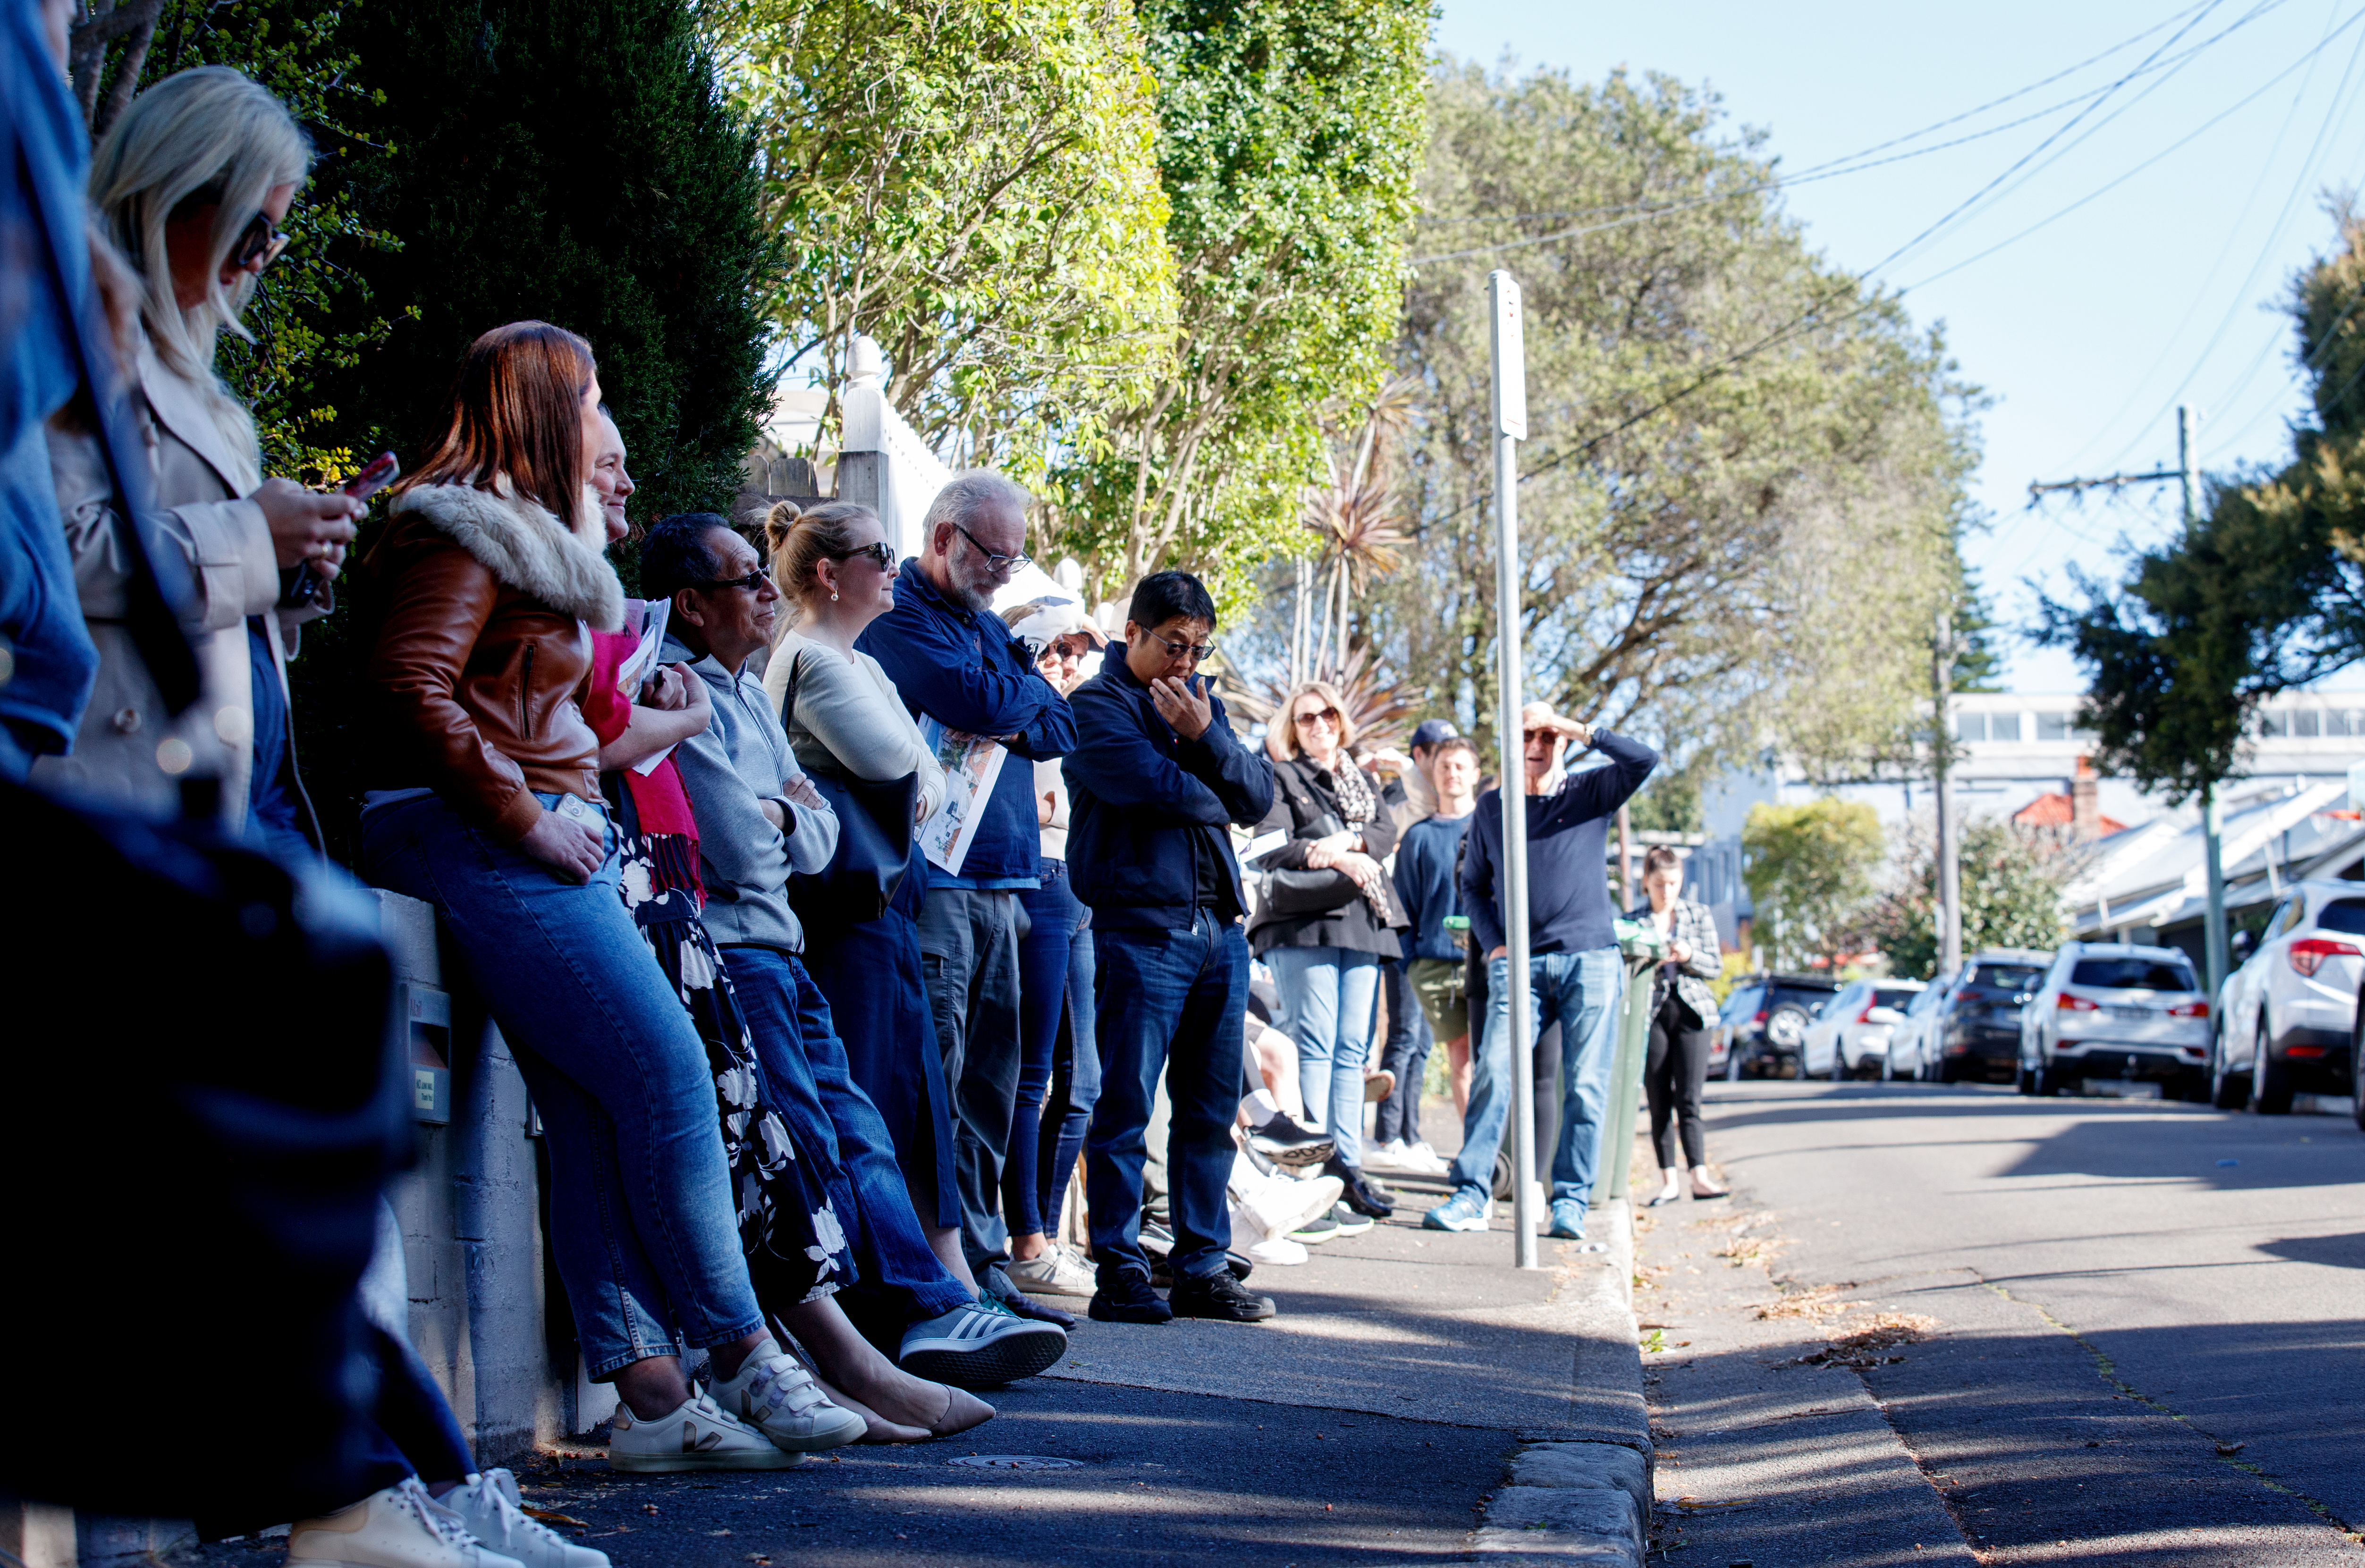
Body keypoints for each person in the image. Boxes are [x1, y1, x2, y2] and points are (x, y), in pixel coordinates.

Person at [359, 320, 804, 1473]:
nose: (609, 422)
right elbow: (412, 686)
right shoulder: (460, 529)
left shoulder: (526, 547)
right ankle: (743, 1349)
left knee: (595, 1097)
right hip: (478, 831)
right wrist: (526, 815)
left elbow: (522, 709)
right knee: (666, 1068)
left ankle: (652, 1397)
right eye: (594, 397)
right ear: (547, 409)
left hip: (529, 829)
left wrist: (583, 770)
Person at [643, 511, 1070, 1389]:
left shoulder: (755, 686)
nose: (763, 589)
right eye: (879, 554)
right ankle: (902, 1316)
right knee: (826, 1128)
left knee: (870, 1121)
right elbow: (769, 837)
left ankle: (937, 1300)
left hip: (802, 934)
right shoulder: (721, 684)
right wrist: (793, 812)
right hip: (776, 938)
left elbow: (862, 809)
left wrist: (790, 812)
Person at [35, 66, 362, 841]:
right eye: (255, 231)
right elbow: (54, 552)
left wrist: (290, 562)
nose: (258, 260)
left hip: (240, 784)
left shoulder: (188, 368)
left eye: (274, 240)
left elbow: (207, 576)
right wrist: (252, 535)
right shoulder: (63, 335)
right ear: (175, 190)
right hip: (137, 791)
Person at [856, 472, 1077, 1294]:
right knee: (937, 1083)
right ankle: (931, 1271)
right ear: (944, 536)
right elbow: (968, 696)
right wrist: (1010, 697)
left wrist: (1004, 698)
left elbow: (1059, 725)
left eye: (1015, 560)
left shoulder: (986, 625)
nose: (1002, 573)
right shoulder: (898, 615)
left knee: (992, 1085)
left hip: (1011, 882)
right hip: (939, 882)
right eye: (994, 555)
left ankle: (983, 1265)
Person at [1065, 570, 1278, 1324]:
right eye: (1173, 644)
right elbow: (1159, 789)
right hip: (1141, 928)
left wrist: (1207, 736)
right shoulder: (1095, 705)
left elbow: (1259, 797)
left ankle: (1201, 1267)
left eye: (1197, 648)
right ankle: (1119, 1269)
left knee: (1210, 1113)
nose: (1185, 661)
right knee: (1124, 1107)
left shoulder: (1202, 707)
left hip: (1219, 930)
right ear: (1132, 633)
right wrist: (1211, 769)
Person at [760, 501, 963, 1289]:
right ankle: (884, 1287)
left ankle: (945, 1277)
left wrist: (920, 787)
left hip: (886, 905)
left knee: (915, 1092)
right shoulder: (808, 661)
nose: (894, 566)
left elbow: (929, 778)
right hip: (844, 911)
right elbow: (903, 770)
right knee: (870, 1091)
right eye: (879, 553)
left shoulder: (865, 665)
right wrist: (920, 787)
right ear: (828, 573)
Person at [1425, 701, 1655, 1242]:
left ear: (1562, 742)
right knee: (1493, 1072)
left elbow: (1643, 759)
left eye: (1547, 736)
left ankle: (1570, 1202)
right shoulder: (1494, 808)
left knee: (1587, 1086)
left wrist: (1575, 727)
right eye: (1526, 734)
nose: (1536, 745)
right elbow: (1473, 885)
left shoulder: (1590, 792)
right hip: (1520, 966)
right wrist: (1496, 946)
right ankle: (1472, 1192)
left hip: (1590, 960)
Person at [1247, 678, 1404, 1224]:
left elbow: (1383, 832)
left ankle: (1349, 1169)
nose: (1320, 725)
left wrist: (1352, 842)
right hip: (1305, 922)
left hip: (1364, 920)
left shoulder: (1361, 778)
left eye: (1329, 715)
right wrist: (1331, 854)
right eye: (1307, 717)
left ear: (1341, 720)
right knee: (1312, 1045)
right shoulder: (1281, 775)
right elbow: (1268, 846)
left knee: (1352, 1050)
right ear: (1293, 728)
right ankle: (1315, 1173)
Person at [997, 596, 1106, 1299]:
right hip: (1035, 879)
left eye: (1078, 653)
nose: (1069, 663)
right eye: (1057, 648)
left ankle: (1042, 1235)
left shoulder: (1077, 715)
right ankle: (1026, 1240)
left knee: (1083, 1079)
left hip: (1081, 885)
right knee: (1030, 1073)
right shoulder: (1014, 705)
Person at [1378, 733, 1482, 1176]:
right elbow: (1404, 908)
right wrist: (1410, 966)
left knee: (1493, 1060)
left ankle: (1502, 1153)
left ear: (1475, 774)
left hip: (1489, 964)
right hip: (1434, 968)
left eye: (1460, 766)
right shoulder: (1418, 836)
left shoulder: (1493, 828)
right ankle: (1475, 1157)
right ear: (1433, 774)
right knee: (1457, 1060)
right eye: (1444, 767)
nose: (1452, 774)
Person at [1630, 845, 1730, 1206]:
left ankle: (1699, 1177)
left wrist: (1689, 955)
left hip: (1692, 1014)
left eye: (1673, 883)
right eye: (1660, 884)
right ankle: (1668, 1182)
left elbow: (1715, 966)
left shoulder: (1698, 915)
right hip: (1652, 1014)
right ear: (1646, 882)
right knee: (1659, 1100)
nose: (1667, 891)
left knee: (1690, 1100)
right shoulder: (1634, 921)